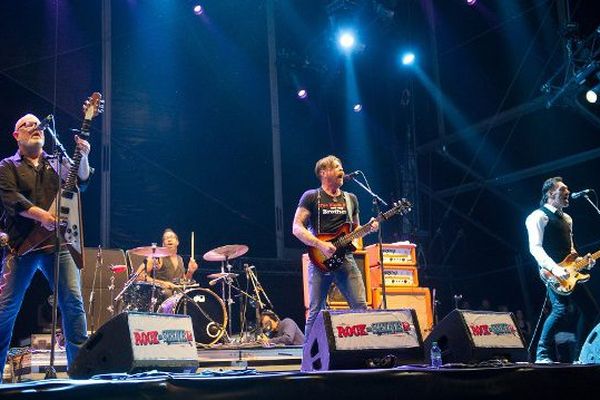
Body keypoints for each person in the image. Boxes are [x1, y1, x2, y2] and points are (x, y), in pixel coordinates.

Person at [0, 113, 92, 380]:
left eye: (37, 124)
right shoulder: (7, 166)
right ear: (16, 136)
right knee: (6, 309)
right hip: (22, 247)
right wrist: (43, 216)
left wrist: (83, 155)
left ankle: (81, 373)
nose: (34, 127)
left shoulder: (58, 162)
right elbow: (12, 200)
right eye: (26, 125)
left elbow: (81, 183)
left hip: (58, 245)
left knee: (73, 303)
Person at [292, 155, 378, 339]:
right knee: (315, 312)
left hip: (345, 259)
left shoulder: (351, 199)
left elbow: (355, 230)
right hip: (319, 260)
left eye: (341, 166)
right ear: (323, 172)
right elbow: (296, 227)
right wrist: (320, 244)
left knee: (361, 307)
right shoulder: (312, 196)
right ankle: (309, 359)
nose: (342, 170)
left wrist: (369, 228)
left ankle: (363, 350)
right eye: (336, 167)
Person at [525, 176, 599, 363]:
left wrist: (584, 262)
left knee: (590, 310)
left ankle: (580, 356)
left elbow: (571, 251)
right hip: (551, 272)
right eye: (563, 189)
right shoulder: (538, 216)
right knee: (560, 309)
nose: (568, 192)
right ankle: (542, 354)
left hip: (570, 271)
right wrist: (555, 269)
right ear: (551, 193)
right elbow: (535, 247)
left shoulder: (567, 218)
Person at [134, 228, 198, 295]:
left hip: (177, 295)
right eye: (166, 238)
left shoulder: (180, 259)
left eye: (172, 237)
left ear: (177, 242)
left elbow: (183, 282)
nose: (169, 240)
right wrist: (162, 283)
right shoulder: (157, 258)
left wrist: (190, 272)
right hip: (161, 294)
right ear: (163, 244)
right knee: (167, 293)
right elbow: (139, 276)